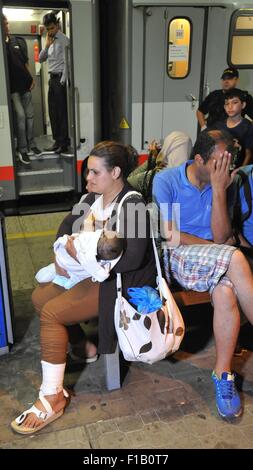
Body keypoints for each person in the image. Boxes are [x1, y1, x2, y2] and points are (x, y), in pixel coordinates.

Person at [11, 140, 156, 434]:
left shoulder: (134, 204)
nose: (87, 179)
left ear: (115, 172)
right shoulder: (91, 199)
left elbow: (133, 259)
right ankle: (83, 346)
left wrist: (84, 259)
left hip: (117, 282)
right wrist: (60, 251)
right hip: (88, 275)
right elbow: (66, 227)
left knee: (52, 312)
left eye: (93, 173)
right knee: (40, 298)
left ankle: (52, 395)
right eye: (87, 172)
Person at [153, 129, 253, 420]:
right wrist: (216, 249)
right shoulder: (167, 180)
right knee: (234, 256)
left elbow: (223, 235)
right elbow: (170, 234)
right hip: (179, 255)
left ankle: (223, 376)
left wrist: (220, 189)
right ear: (198, 159)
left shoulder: (222, 183)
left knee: (226, 292)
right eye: (219, 162)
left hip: (215, 260)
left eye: (229, 162)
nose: (226, 168)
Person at [2, 13, 42, 165]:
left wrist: (31, 78)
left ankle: (31, 145)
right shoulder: (1, 44)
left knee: (30, 116)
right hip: (12, 89)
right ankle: (22, 149)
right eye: (4, 23)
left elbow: (25, 63)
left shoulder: (17, 41)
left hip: (25, 85)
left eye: (7, 23)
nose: (7, 26)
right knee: (20, 116)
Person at [35, 229, 124, 289]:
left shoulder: (90, 254)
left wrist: (73, 253)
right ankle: (63, 276)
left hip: (68, 268)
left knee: (42, 284)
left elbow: (65, 242)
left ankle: (62, 276)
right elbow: (101, 274)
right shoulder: (97, 261)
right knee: (42, 281)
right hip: (66, 267)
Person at [127, 131, 192, 202]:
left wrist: (153, 157)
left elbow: (129, 181)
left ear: (167, 148)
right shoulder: (193, 178)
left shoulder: (158, 175)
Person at [39, 12, 70, 154]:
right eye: (48, 29)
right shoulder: (48, 40)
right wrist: (46, 46)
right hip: (52, 80)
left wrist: (63, 82)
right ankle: (57, 140)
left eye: (52, 28)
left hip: (59, 80)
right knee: (53, 112)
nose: (50, 31)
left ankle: (63, 142)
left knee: (61, 112)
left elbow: (67, 63)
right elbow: (40, 59)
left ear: (57, 25)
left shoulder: (64, 40)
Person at [212, 89, 253, 167]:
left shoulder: (248, 127)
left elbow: (249, 154)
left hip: (237, 170)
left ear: (243, 105)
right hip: (219, 168)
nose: (230, 107)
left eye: (235, 102)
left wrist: (240, 172)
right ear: (224, 106)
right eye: (227, 104)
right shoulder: (218, 125)